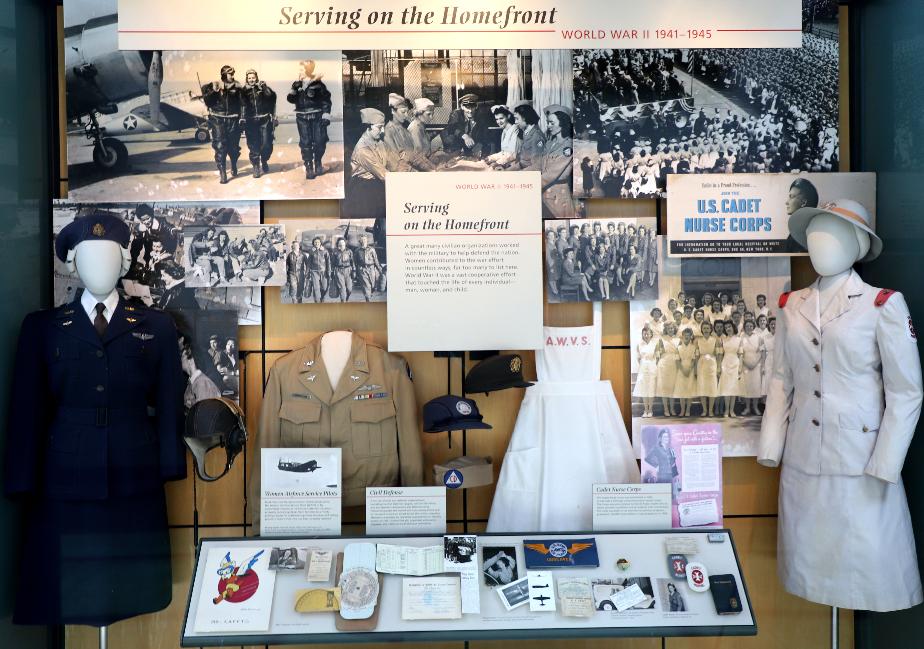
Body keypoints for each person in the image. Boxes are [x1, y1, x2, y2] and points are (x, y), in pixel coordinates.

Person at [348, 108, 401, 216]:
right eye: (379, 127)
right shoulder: (363, 149)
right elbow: (383, 174)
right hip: (363, 190)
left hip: (377, 183)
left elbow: (395, 162)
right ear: (368, 127)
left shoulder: (379, 142)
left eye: (383, 127)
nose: (382, 131)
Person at [288, 59, 332, 179]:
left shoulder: (318, 84)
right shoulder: (297, 84)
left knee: (320, 141)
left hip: (317, 116)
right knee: (305, 143)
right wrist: (294, 89)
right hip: (302, 117)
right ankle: (309, 167)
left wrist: (326, 115)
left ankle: (318, 162)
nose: (299, 72)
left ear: (308, 70)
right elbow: (291, 99)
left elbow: (326, 101)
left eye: (302, 70)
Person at [384, 93, 436, 171]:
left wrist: (432, 168)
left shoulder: (403, 129)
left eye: (407, 112)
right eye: (403, 112)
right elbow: (394, 163)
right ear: (392, 111)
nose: (406, 115)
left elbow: (414, 156)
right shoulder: (388, 131)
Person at [240, 69, 276, 178]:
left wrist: (264, 88)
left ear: (256, 78)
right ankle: (256, 166)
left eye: (253, 78)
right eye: (249, 78)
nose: (251, 80)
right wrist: (242, 118)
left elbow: (272, 97)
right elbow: (241, 104)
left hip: (264, 120)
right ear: (247, 79)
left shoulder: (262, 88)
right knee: (253, 145)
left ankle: (264, 160)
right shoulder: (243, 91)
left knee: (266, 144)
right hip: (250, 121)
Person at [541, 105, 575, 219]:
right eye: (548, 122)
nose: (549, 126)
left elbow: (551, 174)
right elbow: (540, 164)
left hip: (558, 197)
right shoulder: (550, 143)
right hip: (545, 194)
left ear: (562, 123)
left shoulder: (567, 146)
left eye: (552, 123)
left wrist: (531, 185)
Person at [441, 93, 488, 157]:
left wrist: (480, 144)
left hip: (472, 146)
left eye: (472, 107)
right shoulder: (456, 114)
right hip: (455, 146)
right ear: (462, 106)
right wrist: (465, 136)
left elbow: (484, 132)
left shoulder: (480, 115)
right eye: (467, 107)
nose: (470, 111)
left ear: (476, 106)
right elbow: (451, 127)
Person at [738, 319, 766, 415]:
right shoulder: (741, 338)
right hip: (746, 366)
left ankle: (755, 408)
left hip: (756, 365)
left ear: (753, 326)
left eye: (750, 326)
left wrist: (756, 363)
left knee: (755, 387)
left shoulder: (759, 337)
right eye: (747, 326)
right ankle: (747, 408)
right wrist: (745, 363)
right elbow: (740, 353)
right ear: (744, 327)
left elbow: (762, 353)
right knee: (747, 387)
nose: (749, 327)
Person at [718, 321, 742, 418]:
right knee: (726, 388)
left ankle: (732, 410)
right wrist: (719, 367)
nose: (728, 328)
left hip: (735, 363)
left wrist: (740, 367)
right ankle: (726, 410)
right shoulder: (722, 340)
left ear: (733, 327)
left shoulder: (739, 339)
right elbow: (720, 355)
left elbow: (740, 354)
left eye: (730, 326)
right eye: (726, 327)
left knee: (733, 387)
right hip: (725, 363)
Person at [644, 428, 679, 497]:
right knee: (663, 495)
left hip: (670, 475)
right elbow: (647, 458)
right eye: (665, 437)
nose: (667, 438)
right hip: (662, 475)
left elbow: (672, 463)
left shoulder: (670, 449)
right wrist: (656, 466)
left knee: (670, 495)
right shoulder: (656, 448)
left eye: (667, 436)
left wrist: (674, 457)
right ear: (660, 438)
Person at [695, 321, 720, 417]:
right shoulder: (698, 341)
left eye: (707, 328)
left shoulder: (715, 340)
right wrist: (696, 368)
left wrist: (718, 367)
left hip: (712, 364)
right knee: (702, 387)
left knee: (711, 387)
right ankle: (704, 410)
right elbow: (697, 355)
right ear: (702, 329)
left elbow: (718, 355)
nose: (706, 330)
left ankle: (710, 411)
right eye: (704, 328)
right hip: (701, 364)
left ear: (710, 329)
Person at [510, 103, 545, 170]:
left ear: (525, 117)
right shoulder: (526, 132)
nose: (515, 122)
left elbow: (537, 166)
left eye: (517, 119)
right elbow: (524, 160)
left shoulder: (537, 136)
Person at [656, 322, 680, 417]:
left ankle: (672, 408)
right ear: (666, 329)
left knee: (672, 386)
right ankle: (666, 409)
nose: (671, 329)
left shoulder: (678, 339)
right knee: (664, 387)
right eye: (669, 328)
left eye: (672, 328)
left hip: (674, 363)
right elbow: (659, 351)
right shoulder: (662, 339)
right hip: (664, 363)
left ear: (674, 329)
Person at [633, 327, 658, 418]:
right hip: (643, 367)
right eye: (644, 333)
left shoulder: (655, 344)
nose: (646, 335)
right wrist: (642, 366)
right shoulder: (639, 344)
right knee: (644, 389)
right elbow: (638, 358)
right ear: (642, 334)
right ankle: (645, 410)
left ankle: (650, 409)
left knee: (651, 388)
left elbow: (657, 356)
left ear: (651, 334)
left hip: (652, 366)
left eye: (648, 333)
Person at [673, 327, 697, 417]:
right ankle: (682, 410)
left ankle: (688, 410)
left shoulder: (694, 347)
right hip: (681, 369)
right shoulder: (678, 348)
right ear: (682, 336)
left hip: (690, 369)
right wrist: (683, 370)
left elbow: (694, 359)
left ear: (691, 336)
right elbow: (677, 360)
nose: (686, 337)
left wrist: (689, 369)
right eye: (685, 335)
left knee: (689, 390)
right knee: (681, 390)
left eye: (688, 335)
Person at [354, 234, 383, 302]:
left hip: (371, 269)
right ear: (360, 241)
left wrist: (379, 269)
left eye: (364, 240)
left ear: (367, 241)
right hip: (362, 269)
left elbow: (376, 260)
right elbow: (355, 262)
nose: (363, 241)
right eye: (362, 240)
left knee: (372, 286)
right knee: (366, 286)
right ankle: (368, 299)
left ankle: (370, 293)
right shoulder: (357, 251)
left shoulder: (372, 250)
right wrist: (355, 271)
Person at [305, 237, 330, 303]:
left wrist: (329, 271)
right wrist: (307, 272)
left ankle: (322, 298)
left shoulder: (325, 251)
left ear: (320, 243)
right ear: (313, 243)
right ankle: (317, 301)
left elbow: (328, 262)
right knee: (316, 288)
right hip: (314, 272)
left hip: (323, 271)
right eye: (315, 242)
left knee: (324, 288)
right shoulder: (311, 251)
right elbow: (309, 263)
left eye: (318, 242)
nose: (316, 243)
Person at [331, 237, 355, 303]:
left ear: (345, 243)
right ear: (338, 244)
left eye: (343, 242)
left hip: (348, 270)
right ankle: (343, 301)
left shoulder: (349, 251)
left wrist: (354, 270)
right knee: (342, 288)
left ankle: (346, 297)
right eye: (340, 243)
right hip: (338, 271)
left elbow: (352, 261)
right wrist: (332, 272)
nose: (341, 244)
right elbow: (332, 263)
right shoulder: (335, 252)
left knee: (349, 289)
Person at [545, 229, 562, 298]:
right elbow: (548, 256)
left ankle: (555, 290)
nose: (552, 236)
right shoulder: (547, 245)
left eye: (553, 235)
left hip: (555, 263)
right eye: (550, 235)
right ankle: (554, 291)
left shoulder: (553, 243)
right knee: (551, 278)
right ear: (547, 236)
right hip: (551, 264)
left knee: (555, 277)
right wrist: (551, 266)